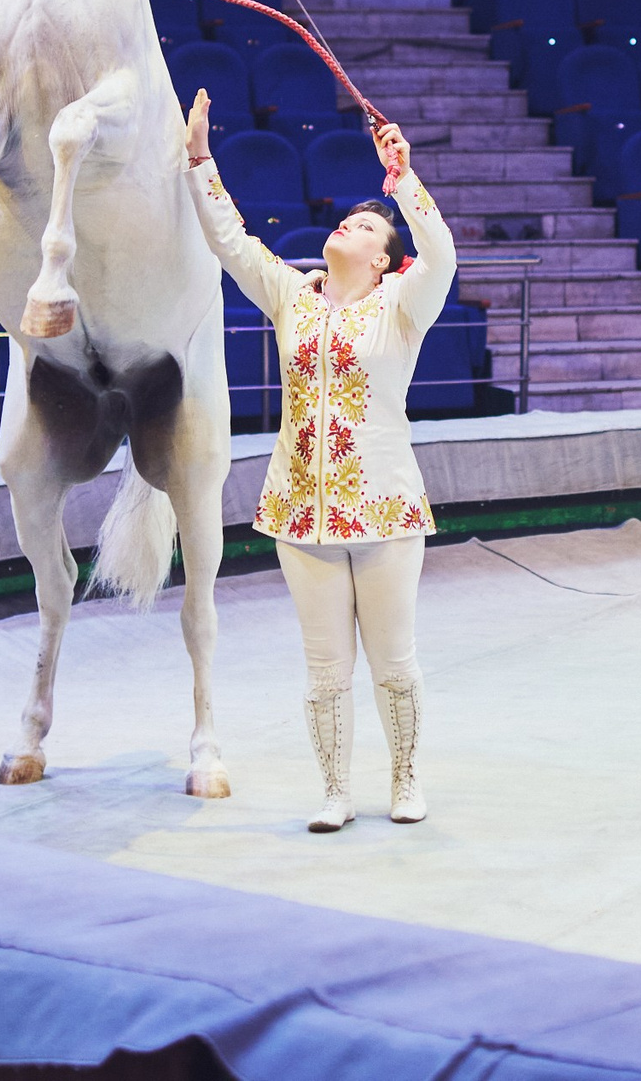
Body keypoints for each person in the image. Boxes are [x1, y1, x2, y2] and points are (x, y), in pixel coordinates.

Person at [184, 92, 453, 832]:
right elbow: (232, 241)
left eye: (366, 225)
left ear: (383, 257)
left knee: (394, 662)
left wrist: (402, 180)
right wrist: (201, 159)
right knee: (326, 669)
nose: (349, 222)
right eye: (350, 216)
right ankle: (335, 790)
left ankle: (404, 779)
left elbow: (445, 255)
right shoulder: (291, 296)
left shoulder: (404, 302)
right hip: (301, 512)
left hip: (385, 510)